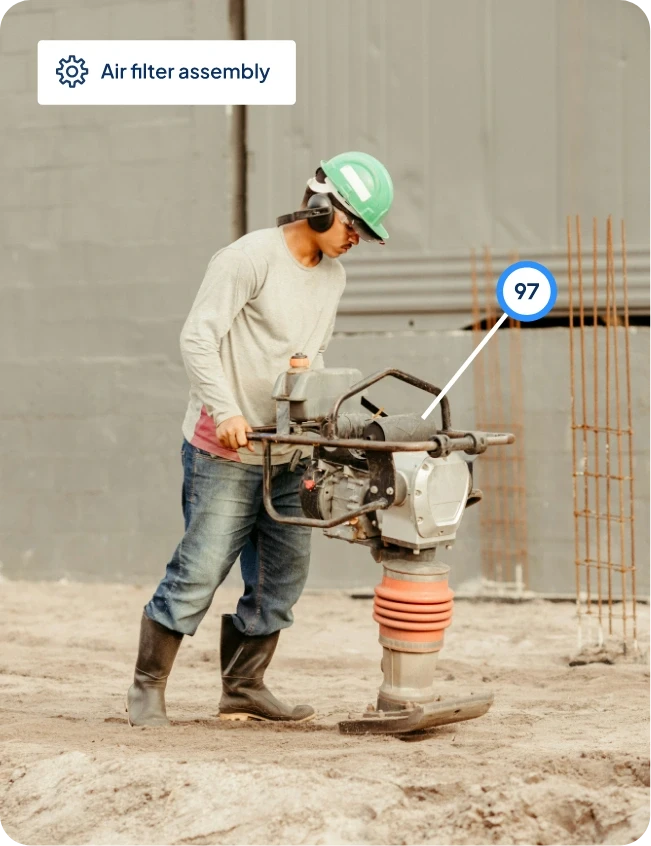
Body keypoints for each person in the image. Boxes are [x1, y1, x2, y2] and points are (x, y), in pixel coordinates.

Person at [126, 151, 394, 727]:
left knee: (282, 577)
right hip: (226, 449)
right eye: (354, 226)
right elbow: (197, 339)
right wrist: (225, 410)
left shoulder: (334, 277)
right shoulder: (247, 259)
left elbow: (314, 353)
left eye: (365, 234)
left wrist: (313, 390)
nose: (356, 240)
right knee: (200, 569)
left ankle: (244, 686)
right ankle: (148, 686)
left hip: (289, 452)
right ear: (320, 208)